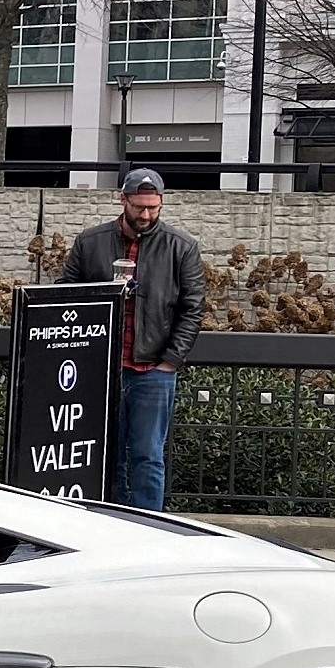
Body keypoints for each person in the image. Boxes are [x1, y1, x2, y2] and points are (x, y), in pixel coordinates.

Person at [59, 167, 204, 511]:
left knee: (148, 457)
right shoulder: (90, 241)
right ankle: (110, 525)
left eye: (154, 207)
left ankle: (148, 529)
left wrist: (171, 361)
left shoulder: (181, 246)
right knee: (104, 455)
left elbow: (193, 309)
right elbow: (64, 296)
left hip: (152, 368)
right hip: (100, 368)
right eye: (139, 207)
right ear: (123, 200)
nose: (146, 214)